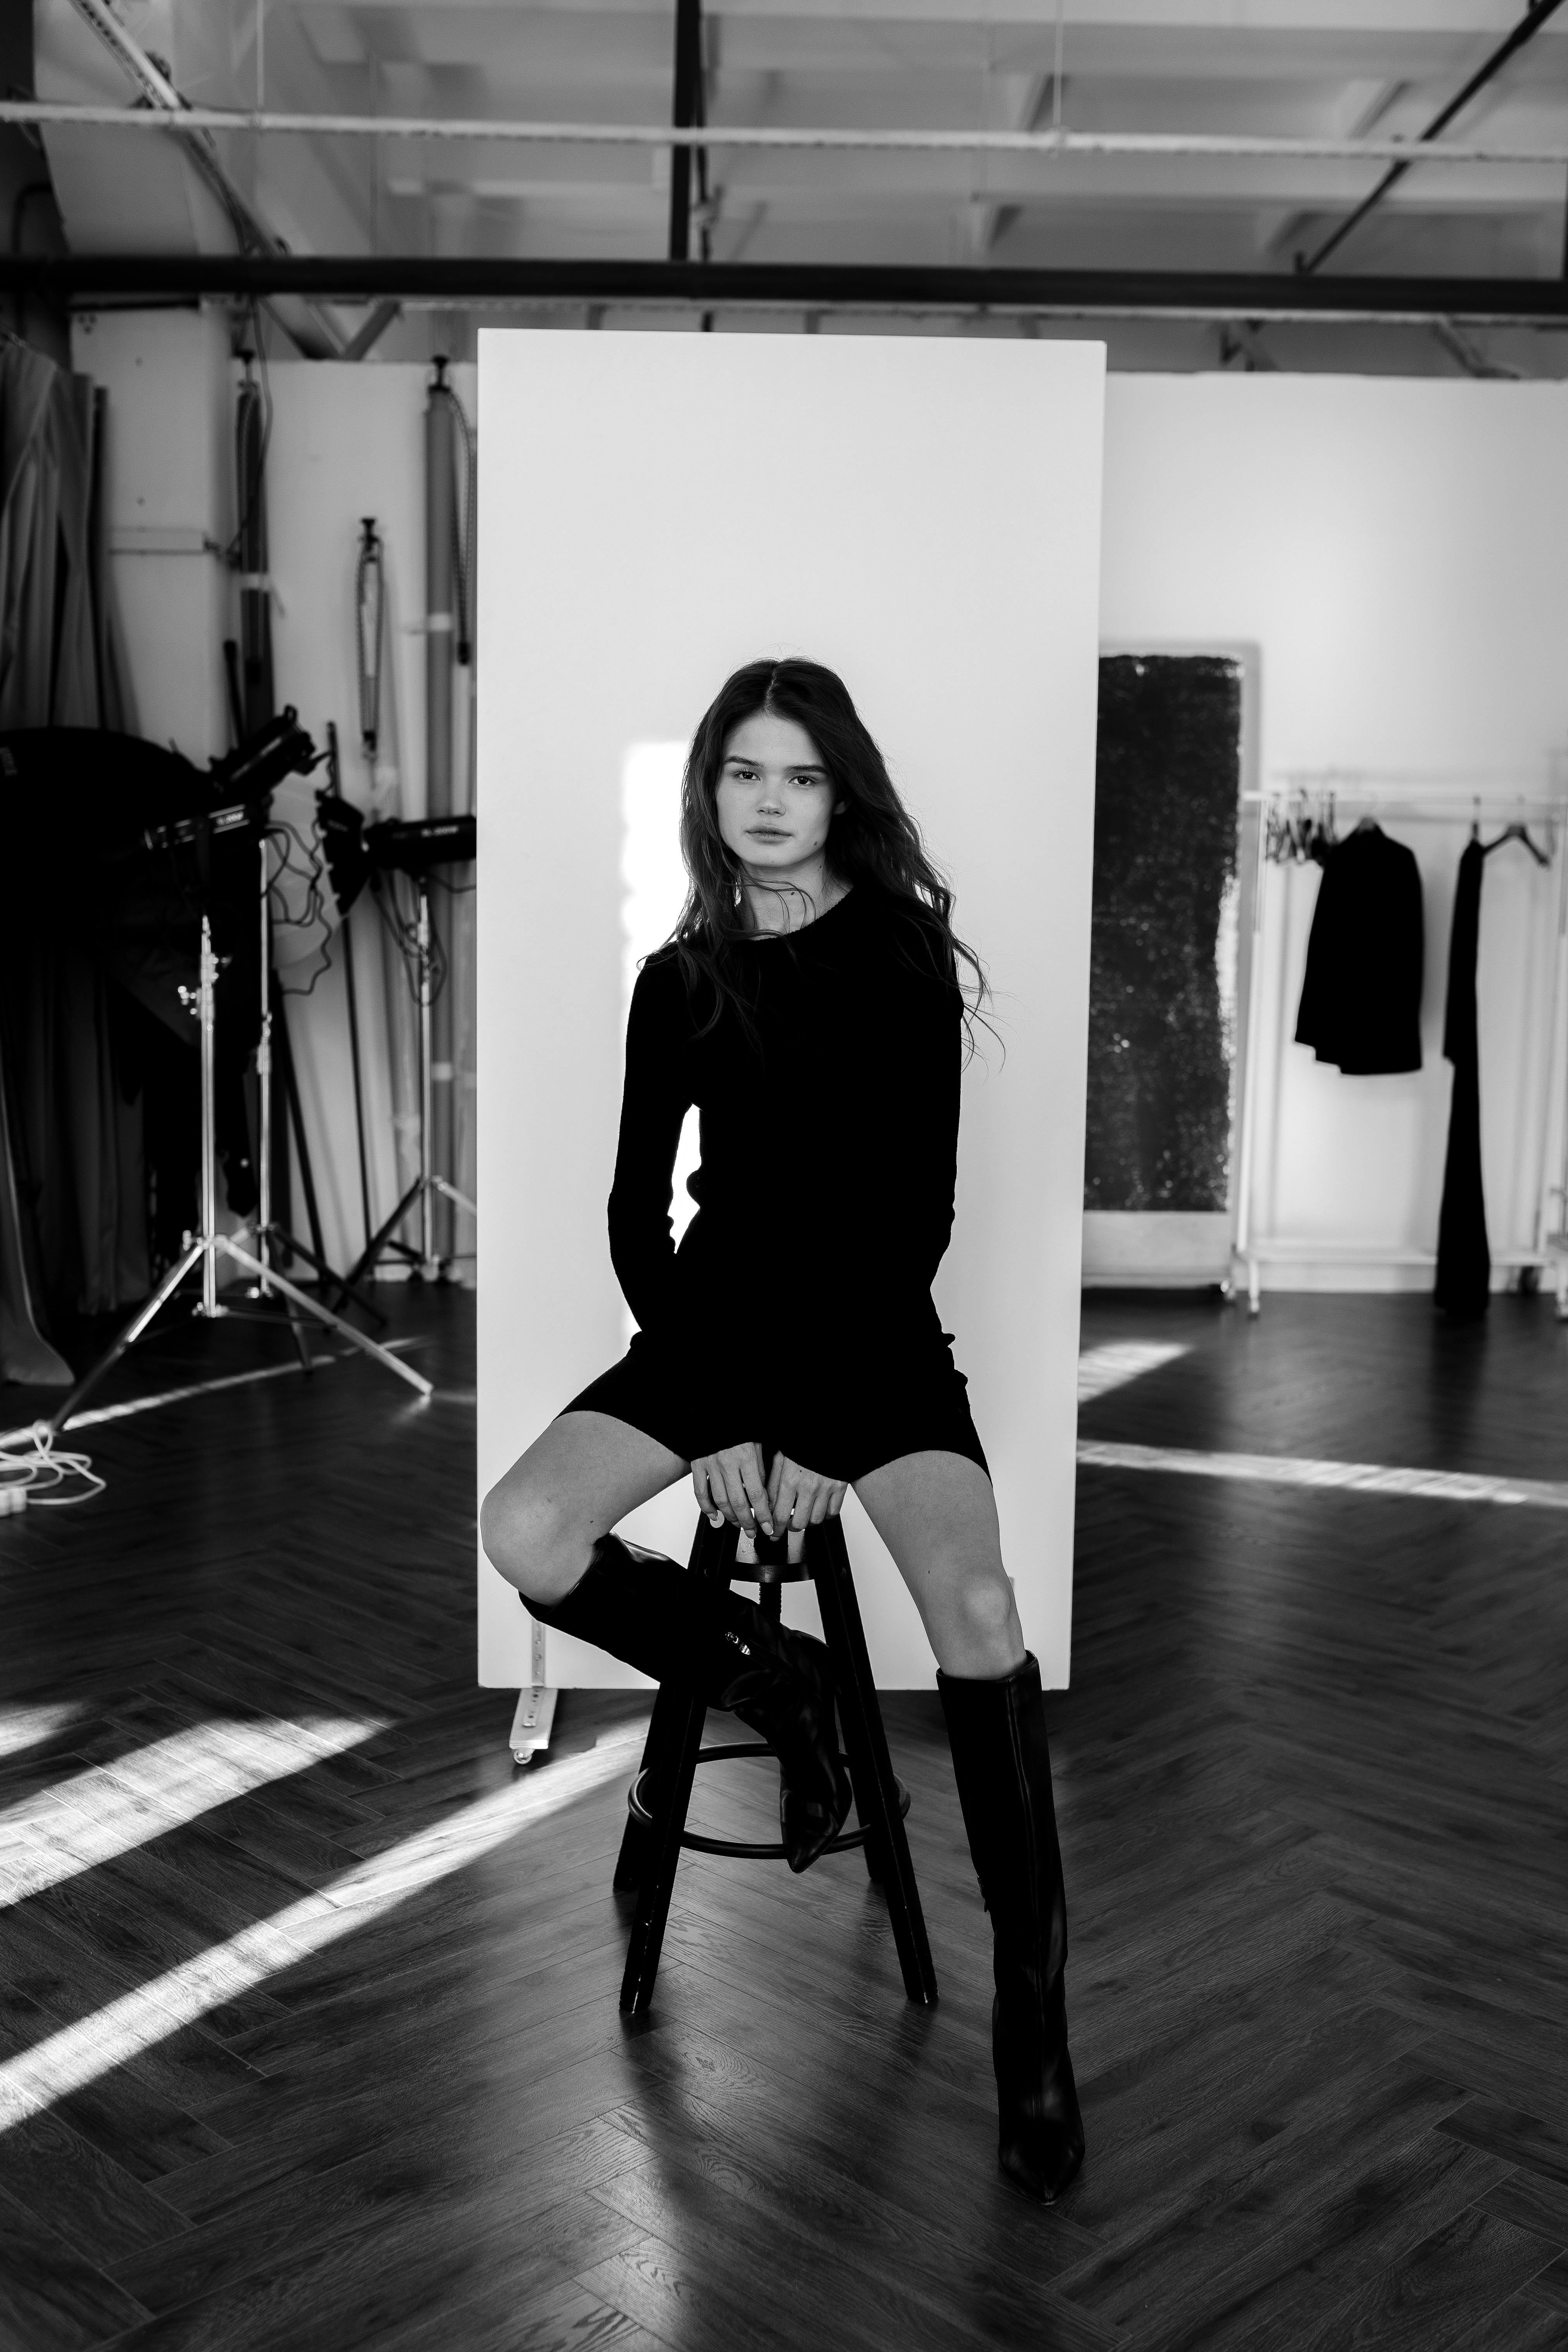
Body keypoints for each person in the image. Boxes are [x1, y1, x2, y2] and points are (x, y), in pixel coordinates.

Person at [481, 658, 1084, 2203]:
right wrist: (722, 1405)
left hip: (872, 1337)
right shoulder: (679, 980)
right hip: (716, 1331)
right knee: (530, 1530)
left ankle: (1031, 2019)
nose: (765, 799)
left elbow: (918, 1215)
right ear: (711, 791)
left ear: (841, 791)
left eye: (797, 774)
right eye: (741, 772)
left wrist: (805, 1424)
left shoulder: (898, 957)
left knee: (978, 1608)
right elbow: (635, 1213)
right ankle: (777, 1680)